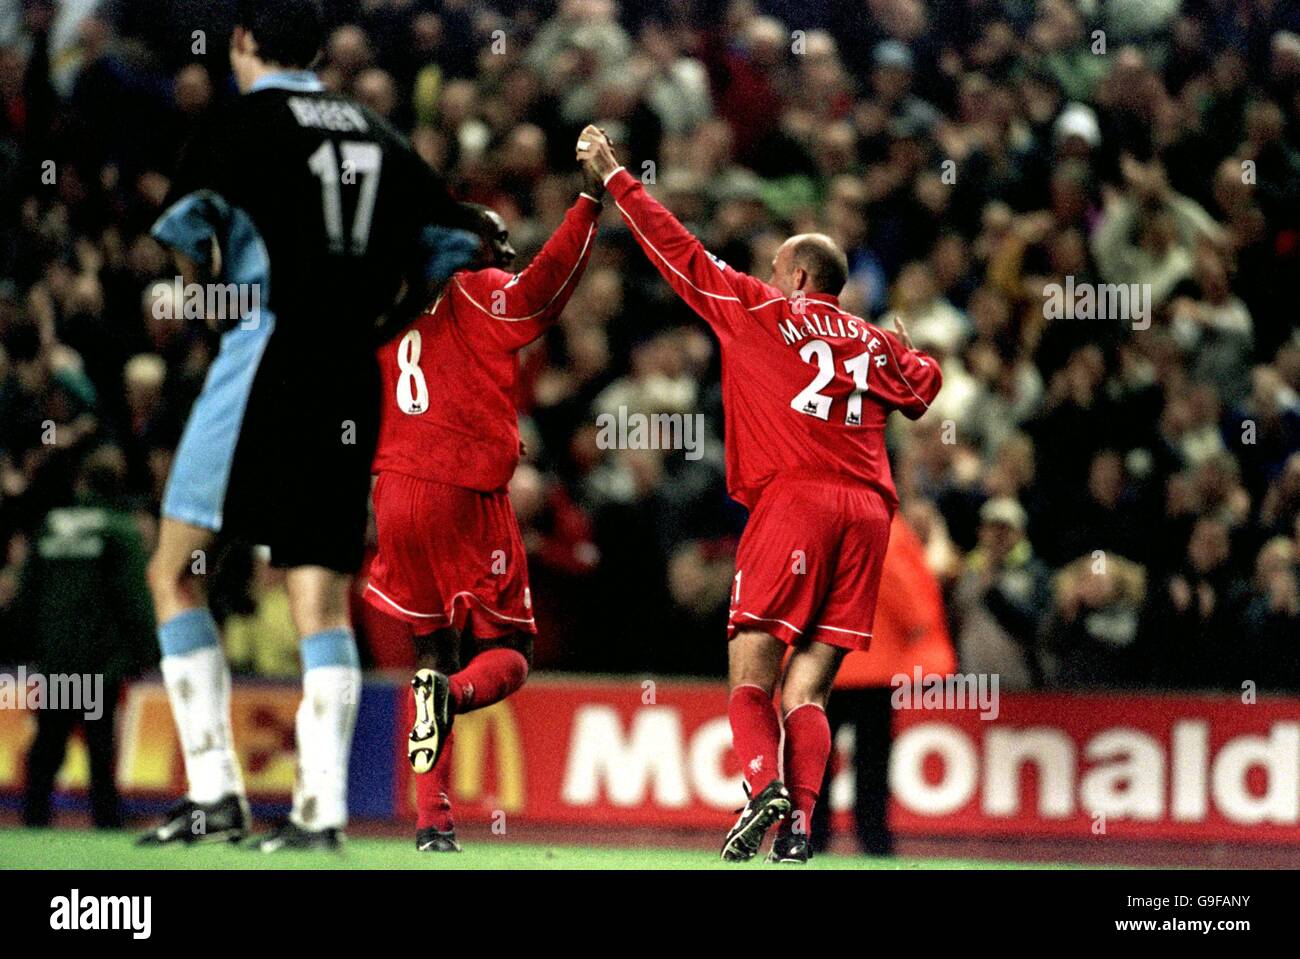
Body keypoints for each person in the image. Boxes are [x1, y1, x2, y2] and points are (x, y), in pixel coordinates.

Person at [138, 0, 481, 851]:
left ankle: (215, 790)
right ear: (323, 50)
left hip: (260, 365)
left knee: (176, 569)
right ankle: (319, 812)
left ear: (243, 43)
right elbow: (452, 247)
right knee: (318, 597)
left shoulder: (241, 124)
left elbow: (185, 234)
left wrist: (212, 284)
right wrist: (382, 316)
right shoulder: (378, 131)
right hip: (346, 379)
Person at [576, 125, 943, 863]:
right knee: (807, 692)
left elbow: (677, 249)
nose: (768, 277)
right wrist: (906, 349)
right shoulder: (874, 342)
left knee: (752, 667)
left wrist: (617, 178)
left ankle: (761, 782)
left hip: (797, 499)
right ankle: (800, 829)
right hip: (870, 511)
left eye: (777, 268)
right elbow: (925, 387)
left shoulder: (759, 311)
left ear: (803, 278)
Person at [364, 179, 605, 851]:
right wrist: (587, 204)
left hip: (394, 492)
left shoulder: (391, 306)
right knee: (512, 650)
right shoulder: (476, 291)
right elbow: (543, 293)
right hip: (462, 489)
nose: (507, 253)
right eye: (496, 242)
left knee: (431, 654)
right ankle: (456, 700)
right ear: (464, 249)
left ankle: (432, 820)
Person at [9, 446, 155, 830]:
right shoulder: (120, 531)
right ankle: (106, 824)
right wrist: (147, 651)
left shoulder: (50, 526)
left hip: (58, 661)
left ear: (81, 482)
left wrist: (25, 647)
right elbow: (133, 598)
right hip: (100, 664)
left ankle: (32, 822)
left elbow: (27, 594)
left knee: (48, 744)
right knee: (100, 746)